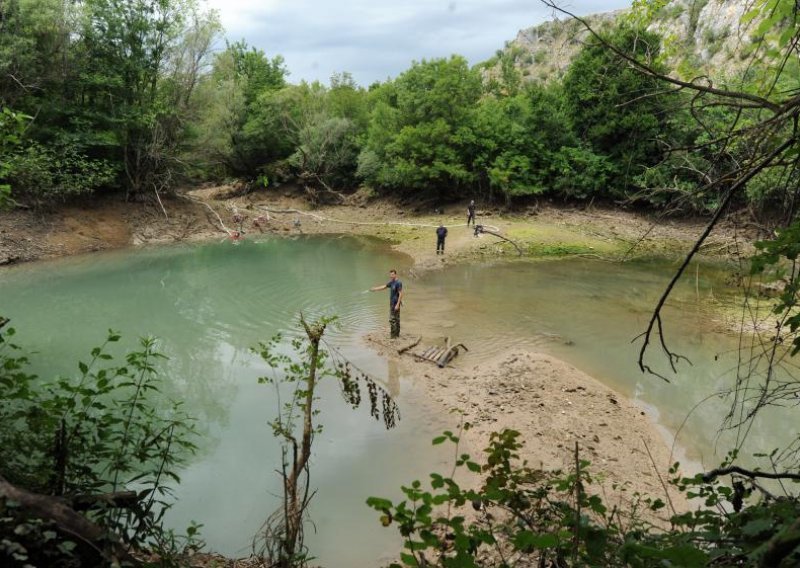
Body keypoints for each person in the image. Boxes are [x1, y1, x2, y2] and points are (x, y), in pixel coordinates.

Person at [370, 269, 403, 339]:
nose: (391, 276)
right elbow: (384, 287)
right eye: (390, 275)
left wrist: (397, 304)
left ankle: (393, 336)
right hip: (392, 303)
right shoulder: (392, 282)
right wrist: (375, 289)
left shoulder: (398, 283)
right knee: (396, 319)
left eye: (392, 274)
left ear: (395, 275)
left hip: (395, 303)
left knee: (393, 319)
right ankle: (396, 335)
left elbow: (401, 294)